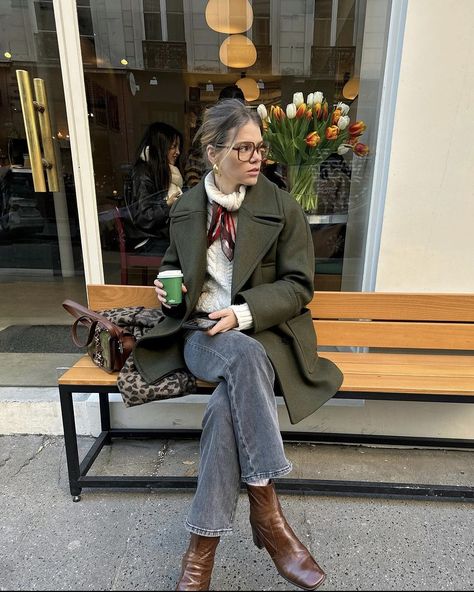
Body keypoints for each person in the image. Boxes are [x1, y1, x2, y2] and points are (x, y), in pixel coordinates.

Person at [133, 98, 343, 591]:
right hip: (199, 334)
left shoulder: (281, 207)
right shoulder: (187, 208)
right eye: (244, 149)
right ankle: (268, 514)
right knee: (242, 361)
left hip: (260, 332)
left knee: (226, 407)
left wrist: (243, 313)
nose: (256, 158)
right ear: (213, 153)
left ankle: (200, 552)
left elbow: (298, 286)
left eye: (259, 148)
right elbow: (171, 263)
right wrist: (168, 286)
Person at [125, 122, 184, 256]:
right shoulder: (142, 173)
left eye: (178, 147)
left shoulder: (163, 172)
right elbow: (143, 217)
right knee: (189, 253)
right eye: (174, 147)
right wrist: (167, 205)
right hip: (146, 240)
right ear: (161, 147)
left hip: (158, 236)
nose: (178, 152)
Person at [183, 85, 245, 188]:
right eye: (230, 110)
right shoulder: (210, 130)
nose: (233, 115)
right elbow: (192, 170)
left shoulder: (246, 131)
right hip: (209, 191)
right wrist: (203, 195)